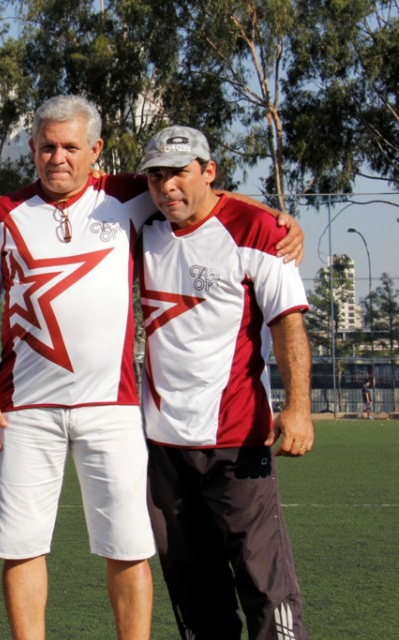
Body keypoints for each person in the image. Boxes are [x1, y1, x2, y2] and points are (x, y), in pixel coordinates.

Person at [0, 96, 303, 639]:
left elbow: (198, 192)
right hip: (23, 410)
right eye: (47, 146)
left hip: (115, 409)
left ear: (95, 150)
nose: (57, 157)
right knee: (21, 546)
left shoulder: (126, 195)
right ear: (31, 148)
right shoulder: (2, 213)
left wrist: (279, 219)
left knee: (128, 548)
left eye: (70, 146)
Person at [138, 125, 312, 639]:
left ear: (209, 171)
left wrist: (298, 408)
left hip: (236, 438)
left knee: (263, 580)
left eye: (179, 173)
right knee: (192, 589)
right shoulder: (142, 225)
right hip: (163, 446)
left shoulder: (258, 231)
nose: (167, 186)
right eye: (156, 176)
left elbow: (287, 323)